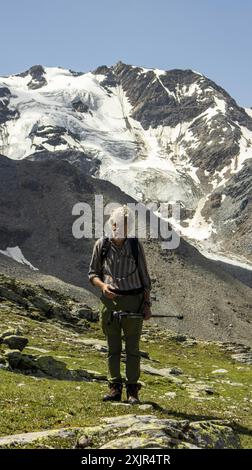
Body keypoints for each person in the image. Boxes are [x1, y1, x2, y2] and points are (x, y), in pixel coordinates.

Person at [88, 205, 152, 404]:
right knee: (112, 348)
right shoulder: (102, 245)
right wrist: (102, 286)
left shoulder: (135, 246)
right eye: (116, 224)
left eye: (124, 226)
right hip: (110, 303)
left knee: (132, 349)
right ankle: (114, 388)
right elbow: (92, 274)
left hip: (134, 302)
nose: (118, 229)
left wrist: (146, 304)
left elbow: (144, 277)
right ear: (111, 224)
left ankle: (132, 391)